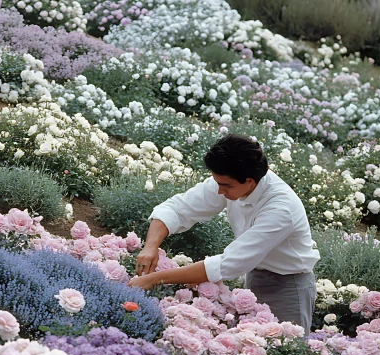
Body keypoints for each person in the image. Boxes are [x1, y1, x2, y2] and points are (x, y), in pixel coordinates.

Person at [126, 134, 320, 334]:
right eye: (217, 183)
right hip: (255, 275)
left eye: (226, 186)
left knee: (283, 352)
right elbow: (177, 208)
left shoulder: (281, 208)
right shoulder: (229, 179)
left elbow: (229, 263)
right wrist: (151, 247)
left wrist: (155, 279)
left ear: (250, 181)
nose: (219, 191)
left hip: (289, 288)